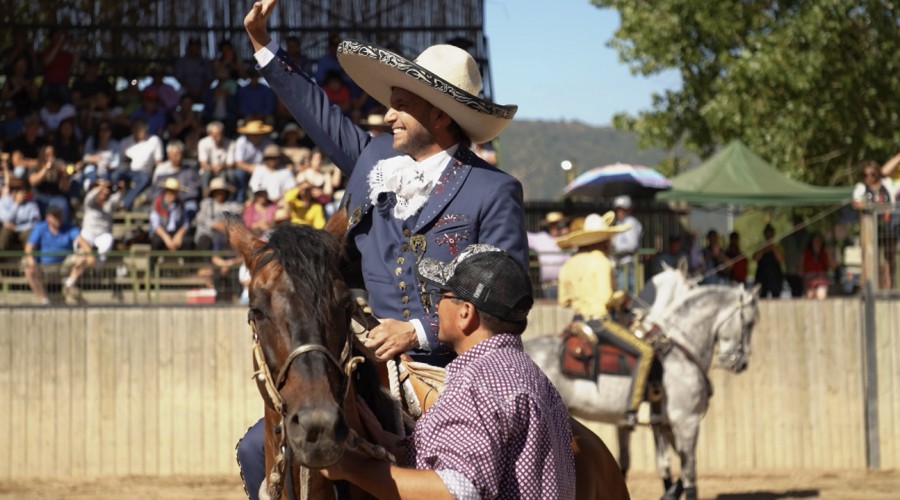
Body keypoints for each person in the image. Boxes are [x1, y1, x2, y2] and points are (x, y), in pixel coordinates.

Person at [238, 2, 527, 497]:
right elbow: (317, 113)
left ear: (440, 114)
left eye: (400, 103)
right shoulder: (374, 157)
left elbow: (508, 302)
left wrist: (417, 330)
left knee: (469, 476)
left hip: (454, 369)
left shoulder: (493, 189)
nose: (387, 113)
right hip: (367, 360)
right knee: (253, 450)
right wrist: (264, 47)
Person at [322, 245, 575, 498]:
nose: (435, 308)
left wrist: (351, 467)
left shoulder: (475, 385)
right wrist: (403, 448)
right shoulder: (533, 377)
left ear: (465, 313)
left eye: (441, 295)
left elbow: (456, 492)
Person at [556, 212, 653, 427]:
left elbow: (563, 301)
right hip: (599, 323)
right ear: (602, 239)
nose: (611, 242)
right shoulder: (602, 262)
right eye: (608, 237)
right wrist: (623, 297)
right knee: (646, 351)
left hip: (577, 322)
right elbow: (607, 299)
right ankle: (632, 409)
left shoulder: (568, 265)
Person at [23, 205, 82, 305]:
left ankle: (69, 284)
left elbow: (82, 243)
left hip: (64, 267)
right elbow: (29, 247)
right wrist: (30, 259)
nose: (58, 219)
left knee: (82, 256)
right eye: (55, 216)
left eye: (59, 216)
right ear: (48, 218)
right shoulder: (40, 228)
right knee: (28, 266)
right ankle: (44, 300)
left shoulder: (69, 228)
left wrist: (84, 252)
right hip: (43, 267)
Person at [852, 160, 897, 289]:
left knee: (889, 257)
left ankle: (889, 286)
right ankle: (874, 287)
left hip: (888, 227)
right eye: (866, 175)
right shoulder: (861, 187)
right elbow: (857, 203)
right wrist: (875, 206)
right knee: (872, 258)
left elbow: (892, 204)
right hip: (870, 229)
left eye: (873, 174)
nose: (869, 178)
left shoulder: (887, 184)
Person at [114, 119, 163, 210]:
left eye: (145, 128)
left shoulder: (154, 140)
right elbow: (119, 162)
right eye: (140, 128)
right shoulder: (125, 141)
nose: (143, 130)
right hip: (127, 170)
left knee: (144, 178)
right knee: (115, 174)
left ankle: (124, 203)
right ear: (133, 130)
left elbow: (159, 162)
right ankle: (111, 200)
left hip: (143, 173)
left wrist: (157, 178)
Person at [229, 119, 274, 203]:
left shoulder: (267, 142)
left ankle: (267, 199)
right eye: (253, 135)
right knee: (240, 174)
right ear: (248, 134)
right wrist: (251, 168)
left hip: (262, 169)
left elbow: (271, 158)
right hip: (245, 168)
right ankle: (239, 199)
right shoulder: (241, 142)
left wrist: (259, 169)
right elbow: (238, 162)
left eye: (257, 135)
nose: (255, 137)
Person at [526, 211, 569, 299]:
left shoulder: (568, 239)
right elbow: (524, 235)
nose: (555, 227)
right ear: (548, 225)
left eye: (557, 224)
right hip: (549, 285)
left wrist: (568, 235)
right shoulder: (541, 238)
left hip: (566, 284)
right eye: (552, 224)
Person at [149, 178, 192, 253]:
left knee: (187, 241)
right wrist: (167, 239)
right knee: (156, 242)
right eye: (170, 191)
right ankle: (152, 264)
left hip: (175, 231)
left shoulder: (180, 204)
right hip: (162, 232)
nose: (172, 194)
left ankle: (187, 264)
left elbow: (186, 223)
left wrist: (179, 235)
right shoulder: (157, 203)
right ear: (165, 191)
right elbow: (156, 225)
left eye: (175, 192)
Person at [611, 195, 643, 295]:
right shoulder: (619, 223)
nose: (619, 212)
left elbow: (632, 245)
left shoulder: (631, 223)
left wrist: (615, 251)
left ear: (629, 210)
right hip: (619, 264)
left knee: (627, 295)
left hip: (628, 264)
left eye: (622, 209)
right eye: (618, 209)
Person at [0, 175, 41, 251]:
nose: (22, 193)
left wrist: (17, 228)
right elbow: (5, 219)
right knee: (5, 233)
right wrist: (16, 204)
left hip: (24, 229)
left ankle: (28, 259)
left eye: (22, 190)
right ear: (12, 192)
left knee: (29, 235)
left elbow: (35, 222)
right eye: (18, 190)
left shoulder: (31, 204)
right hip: (9, 230)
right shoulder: (3, 202)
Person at [753, 224, 785, 298]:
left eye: (770, 234)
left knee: (776, 297)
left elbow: (781, 259)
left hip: (775, 278)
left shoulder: (778, 247)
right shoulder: (760, 247)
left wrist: (772, 247)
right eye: (767, 234)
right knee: (762, 297)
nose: (768, 236)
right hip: (762, 277)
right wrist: (764, 249)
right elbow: (755, 258)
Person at [781, 215, 809, 297]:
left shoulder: (808, 236)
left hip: (806, 271)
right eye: (796, 223)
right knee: (795, 292)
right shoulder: (788, 238)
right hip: (791, 270)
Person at [802, 231, 831, 300]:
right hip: (809, 279)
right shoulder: (806, 253)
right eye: (815, 240)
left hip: (821, 279)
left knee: (821, 294)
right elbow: (800, 266)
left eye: (819, 240)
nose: (817, 242)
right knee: (810, 295)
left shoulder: (824, 252)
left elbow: (831, 265)